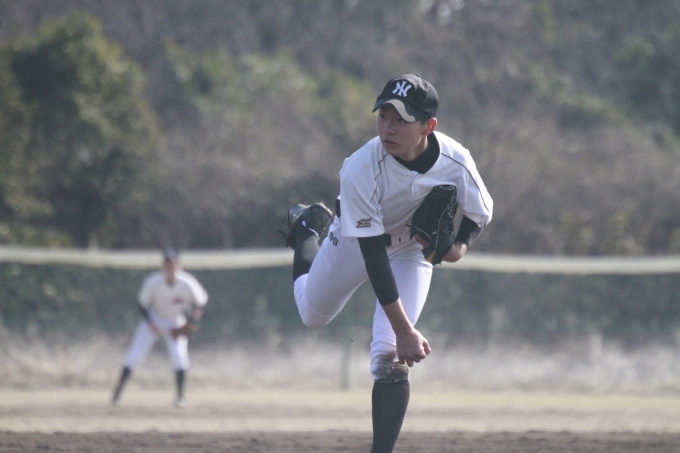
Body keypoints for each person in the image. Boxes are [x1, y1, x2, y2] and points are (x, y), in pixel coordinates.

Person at [281, 74, 493, 452]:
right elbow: (373, 254)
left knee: (389, 356)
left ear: (428, 126)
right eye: (383, 116)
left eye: (401, 120)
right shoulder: (361, 167)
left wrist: (456, 249)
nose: (388, 128)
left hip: (410, 249)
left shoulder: (455, 161)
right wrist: (406, 329)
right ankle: (307, 229)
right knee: (312, 315)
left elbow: (480, 213)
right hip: (355, 241)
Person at [111, 248, 208, 407]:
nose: (170, 267)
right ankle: (117, 394)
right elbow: (142, 304)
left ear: (179, 266)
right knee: (135, 355)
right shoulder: (153, 282)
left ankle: (180, 397)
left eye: (173, 264)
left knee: (179, 356)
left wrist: (190, 322)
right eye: (167, 264)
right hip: (153, 318)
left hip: (175, 320)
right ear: (163, 266)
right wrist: (151, 323)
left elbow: (201, 303)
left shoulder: (187, 282)